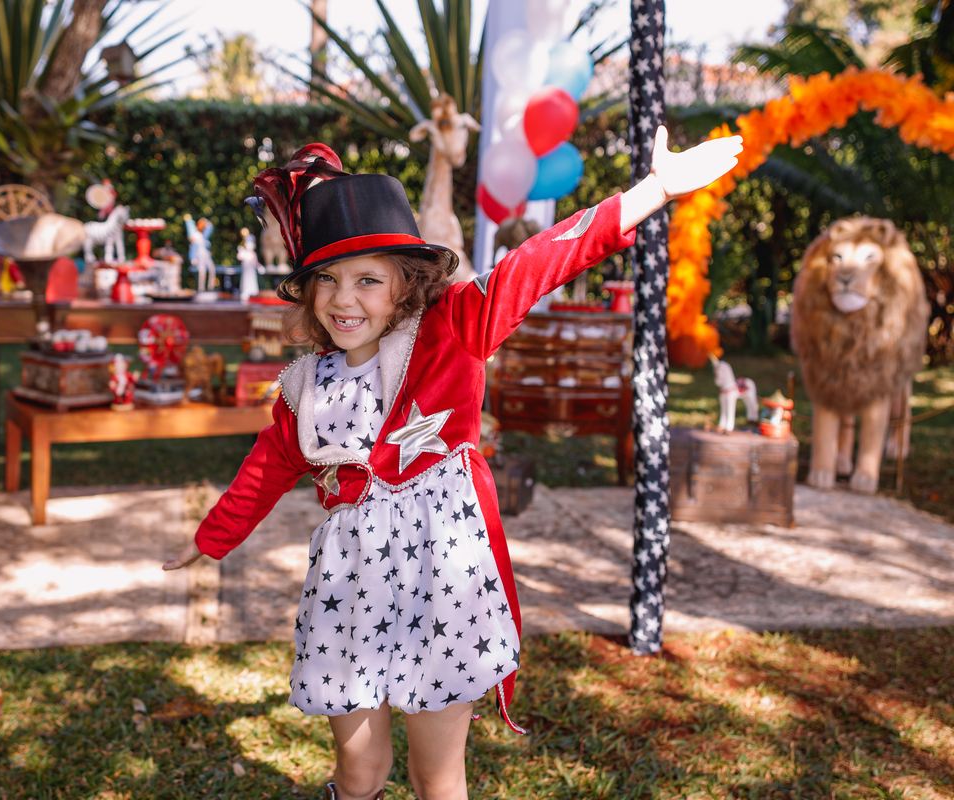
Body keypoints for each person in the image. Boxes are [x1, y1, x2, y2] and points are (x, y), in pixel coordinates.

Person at [164, 127, 743, 800]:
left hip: (445, 584)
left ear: (408, 285)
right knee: (359, 768)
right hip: (351, 588)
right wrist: (213, 539)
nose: (343, 299)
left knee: (435, 774)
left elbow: (538, 262)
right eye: (327, 279)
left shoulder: (452, 331)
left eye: (367, 280)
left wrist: (653, 192)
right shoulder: (305, 386)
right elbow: (267, 465)